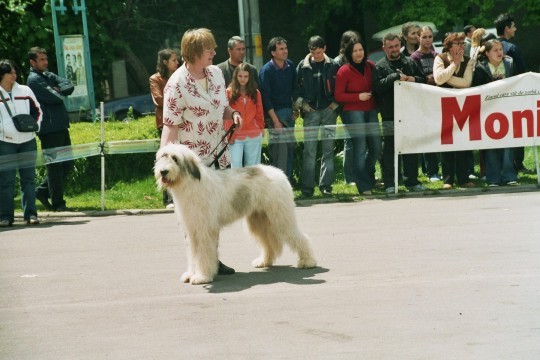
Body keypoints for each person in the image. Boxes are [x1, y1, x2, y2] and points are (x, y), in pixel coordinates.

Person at [159, 28, 243, 275]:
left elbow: (223, 107)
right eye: (210, 50)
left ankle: (212, 260)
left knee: (212, 215)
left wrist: (234, 115)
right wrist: (165, 161)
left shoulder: (216, 73)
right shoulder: (176, 84)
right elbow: (170, 126)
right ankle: (196, 265)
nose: (215, 53)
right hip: (192, 164)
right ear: (195, 53)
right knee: (193, 219)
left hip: (218, 155)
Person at [373, 33, 426, 194]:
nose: (394, 49)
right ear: (384, 48)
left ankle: (412, 181)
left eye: (396, 46)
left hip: (409, 112)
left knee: (410, 149)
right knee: (389, 150)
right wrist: (395, 76)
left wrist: (412, 79)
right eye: (390, 47)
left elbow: (423, 80)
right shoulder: (379, 66)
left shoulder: (410, 62)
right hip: (389, 114)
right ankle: (390, 182)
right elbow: (378, 87)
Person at [27, 47, 74, 212]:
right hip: (48, 129)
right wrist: (57, 91)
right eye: (41, 60)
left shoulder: (47, 75)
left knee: (68, 163)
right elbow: (56, 97)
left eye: (46, 59)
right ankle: (58, 204)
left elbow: (69, 85)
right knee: (55, 166)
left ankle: (41, 191)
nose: (46, 62)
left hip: (61, 125)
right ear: (32, 62)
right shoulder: (33, 80)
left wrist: (57, 89)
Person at [334, 37, 381, 195]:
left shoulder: (371, 66)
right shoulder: (344, 71)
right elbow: (338, 95)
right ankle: (363, 185)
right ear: (350, 53)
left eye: (360, 50)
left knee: (376, 147)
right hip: (353, 111)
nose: (358, 53)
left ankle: (365, 175)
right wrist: (357, 97)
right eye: (355, 51)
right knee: (360, 147)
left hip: (371, 110)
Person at [295, 36, 339, 197]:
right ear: (309, 50)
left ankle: (326, 186)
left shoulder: (334, 65)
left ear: (324, 49)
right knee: (309, 151)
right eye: (313, 52)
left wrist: (334, 104)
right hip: (311, 112)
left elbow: (339, 86)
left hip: (329, 111)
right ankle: (307, 188)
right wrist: (302, 104)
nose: (316, 56)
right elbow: (296, 88)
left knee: (328, 149)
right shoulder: (302, 65)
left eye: (319, 52)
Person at [0, 59, 42, 227]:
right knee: (6, 181)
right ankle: (5, 216)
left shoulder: (25, 90)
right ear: (2, 75)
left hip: (28, 141)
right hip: (4, 143)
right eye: (11, 72)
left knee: (28, 180)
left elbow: (37, 110)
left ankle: (31, 214)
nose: (14, 75)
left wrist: (35, 127)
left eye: (15, 72)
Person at [472, 39, 518, 187]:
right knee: (491, 144)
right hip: (489, 111)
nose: (500, 52)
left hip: (507, 109)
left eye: (501, 49)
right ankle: (493, 178)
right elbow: (477, 90)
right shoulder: (480, 68)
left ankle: (510, 176)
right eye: (495, 50)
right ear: (487, 53)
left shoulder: (510, 64)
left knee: (508, 143)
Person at [433, 32, 476, 190]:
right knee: (447, 143)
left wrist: (446, 77)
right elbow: (438, 80)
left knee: (463, 142)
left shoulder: (468, 60)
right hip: (444, 106)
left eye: (463, 43)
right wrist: (453, 65)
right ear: (449, 46)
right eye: (458, 44)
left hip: (463, 106)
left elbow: (466, 82)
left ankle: (463, 178)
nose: (462, 46)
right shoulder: (440, 58)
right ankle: (448, 179)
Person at [258, 37, 298, 182]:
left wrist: (296, 108)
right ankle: (277, 185)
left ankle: (288, 184)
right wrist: (275, 121)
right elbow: (265, 98)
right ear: (273, 52)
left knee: (290, 149)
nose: (285, 51)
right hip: (275, 115)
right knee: (279, 152)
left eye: (285, 48)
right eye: (281, 49)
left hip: (289, 112)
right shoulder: (266, 70)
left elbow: (295, 89)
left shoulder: (291, 66)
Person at [494, 13, 529, 173]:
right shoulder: (511, 48)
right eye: (513, 26)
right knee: (516, 129)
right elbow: (522, 72)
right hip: (513, 95)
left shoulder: (489, 47)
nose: (515, 29)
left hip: (494, 97)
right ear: (507, 29)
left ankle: (500, 165)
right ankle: (518, 164)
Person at [149, 48, 179, 208]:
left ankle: (179, 195)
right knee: (165, 161)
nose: (177, 62)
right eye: (174, 60)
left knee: (178, 162)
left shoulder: (180, 76)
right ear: (165, 62)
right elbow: (158, 100)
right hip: (165, 124)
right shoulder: (155, 79)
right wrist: (179, 101)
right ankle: (167, 198)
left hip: (181, 124)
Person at [410, 25, 441, 182]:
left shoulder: (437, 55)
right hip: (422, 101)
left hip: (436, 99)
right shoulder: (414, 58)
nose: (428, 40)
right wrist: (427, 78)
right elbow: (417, 78)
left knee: (437, 136)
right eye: (424, 37)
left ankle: (436, 169)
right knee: (427, 137)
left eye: (430, 37)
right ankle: (431, 172)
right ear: (418, 38)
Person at [334, 30, 361, 186]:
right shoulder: (339, 61)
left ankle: (358, 174)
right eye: (351, 41)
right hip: (346, 106)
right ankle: (349, 177)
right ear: (344, 44)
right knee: (350, 140)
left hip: (360, 105)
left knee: (360, 141)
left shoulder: (358, 58)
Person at [225, 62, 264, 168]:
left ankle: (252, 186)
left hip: (253, 134)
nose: (243, 79)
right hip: (236, 135)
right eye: (240, 76)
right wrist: (230, 135)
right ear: (236, 76)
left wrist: (260, 129)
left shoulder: (256, 93)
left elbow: (260, 114)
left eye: (246, 76)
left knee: (252, 168)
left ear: (250, 77)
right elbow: (226, 117)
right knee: (236, 167)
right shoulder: (229, 93)